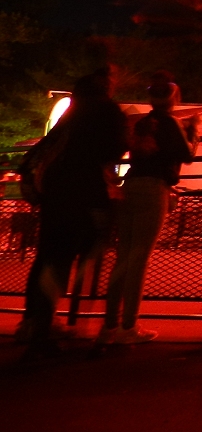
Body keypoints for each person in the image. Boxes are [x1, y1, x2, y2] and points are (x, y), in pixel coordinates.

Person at [20, 68, 128, 356]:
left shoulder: (72, 116)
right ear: (106, 87)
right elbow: (116, 148)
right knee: (89, 255)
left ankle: (36, 324)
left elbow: (46, 148)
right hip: (88, 193)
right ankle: (90, 328)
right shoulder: (108, 111)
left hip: (55, 193)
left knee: (49, 257)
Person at [97, 72, 198, 345]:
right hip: (154, 189)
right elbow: (187, 155)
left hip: (131, 186)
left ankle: (109, 324)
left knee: (123, 257)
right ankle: (128, 326)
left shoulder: (141, 123)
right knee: (139, 260)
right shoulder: (171, 123)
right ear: (174, 98)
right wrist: (193, 132)